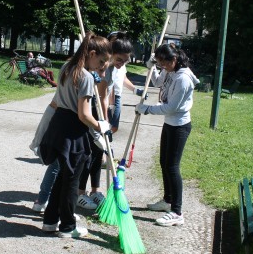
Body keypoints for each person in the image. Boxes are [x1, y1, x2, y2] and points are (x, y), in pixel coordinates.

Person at [38, 32, 111, 238]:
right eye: (102, 60)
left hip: (58, 124)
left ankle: (50, 221)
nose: (103, 65)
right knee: (71, 181)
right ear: (92, 53)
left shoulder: (67, 67)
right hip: (73, 130)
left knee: (62, 177)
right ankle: (68, 227)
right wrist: (100, 126)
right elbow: (84, 114)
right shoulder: (86, 77)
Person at [76, 32, 142, 210]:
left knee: (99, 152)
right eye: (120, 59)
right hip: (88, 110)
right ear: (112, 53)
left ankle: (95, 190)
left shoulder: (113, 69)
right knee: (88, 153)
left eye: (126, 61)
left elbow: (105, 96)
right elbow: (96, 95)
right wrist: (99, 121)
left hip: (99, 110)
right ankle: (79, 193)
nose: (122, 64)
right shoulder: (101, 66)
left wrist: (105, 121)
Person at [135, 44, 199, 226]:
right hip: (169, 124)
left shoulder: (183, 79)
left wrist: (147, 109)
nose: (163, 66)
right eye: (160, 63)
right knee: (164, 162)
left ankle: (177, 212)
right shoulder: (169, 70)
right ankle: (167, 200)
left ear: (174, 59)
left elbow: (172, 107)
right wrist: (152, 68)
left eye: (164, 63)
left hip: (180, 126)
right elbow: (156, 82)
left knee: (172, 166)